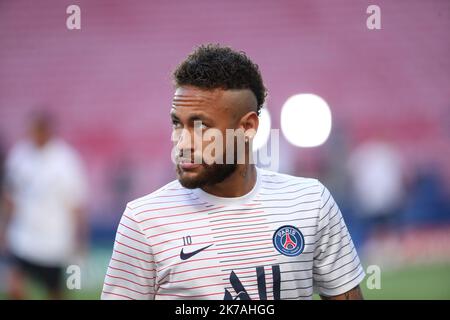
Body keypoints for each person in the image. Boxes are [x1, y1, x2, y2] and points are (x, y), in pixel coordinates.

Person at [102, 44, 365, 300]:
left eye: (201, 126)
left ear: (248, 127)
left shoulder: (310, 202)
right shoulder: (144, 220)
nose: (182, 142)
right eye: (177, 123)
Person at [0, 111, 88, 299]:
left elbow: (77, 204)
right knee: (14, 287)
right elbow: (9, 196)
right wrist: (4, 228)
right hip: (23, 238)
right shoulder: (19, 155)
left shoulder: (66, 160)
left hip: (54, 242)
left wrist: (79, 238)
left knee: (56, 293)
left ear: (49, 131)